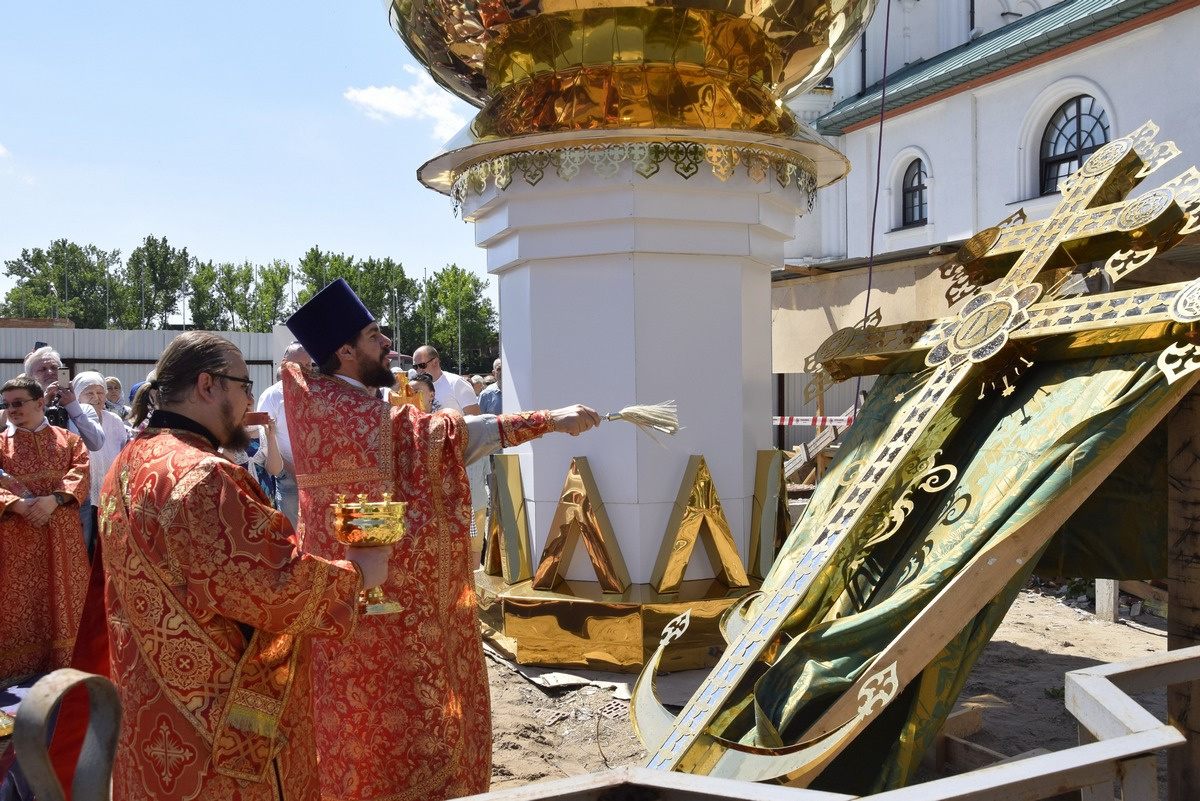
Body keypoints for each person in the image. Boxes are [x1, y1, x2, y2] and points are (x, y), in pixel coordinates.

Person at [283, 278, 600, 801]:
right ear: (343, 351)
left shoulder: (315, 400)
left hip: (337, 605)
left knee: (350, 725)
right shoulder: (366, 416)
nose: (387, 342)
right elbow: (456, 438)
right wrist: (550, 420)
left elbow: (296, 358)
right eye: (372, 334)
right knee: (403, 720)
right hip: (385, 604)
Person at [99, 331, 389, 801]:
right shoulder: (205, 476)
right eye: (246, 386)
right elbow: (271, 585)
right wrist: (357, 574)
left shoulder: (129, 462)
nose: (253, 401)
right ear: (208, 386)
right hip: (219, 724)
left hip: (149, 703)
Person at [0, 377, 90, 682]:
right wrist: (15, 504)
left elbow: (81, 470)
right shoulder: (0, 444)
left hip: (61, 537)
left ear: (40, 403)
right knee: (17, 603)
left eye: (18, 403)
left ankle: (66, 671)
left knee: (63, 599)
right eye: (7, 404)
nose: (11, 409)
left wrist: (53, 500)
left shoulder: (70, 440)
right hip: (17, 540)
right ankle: (15, 676)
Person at [256, 342, 312, 525]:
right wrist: (293, 471)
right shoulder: (272, 396)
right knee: (294, 531)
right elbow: (265, 440)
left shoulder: (317, 394)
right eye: (299, 366)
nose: (305, 371)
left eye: (309, 365)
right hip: (288, 478)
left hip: (316, 476)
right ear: (284, 363)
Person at [72, 371, 129, 553]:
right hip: (84, 495)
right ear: (77, 396)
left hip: (109, 493)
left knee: (107, 545)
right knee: (84, 544)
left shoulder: (115, 421)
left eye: (100, 392)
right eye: (89, 393)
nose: (96, 398)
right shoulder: (72, 421)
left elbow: (122, 454)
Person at [24, 346, 104, 452]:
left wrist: (72, 406)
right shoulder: (23, 409)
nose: (50, 372)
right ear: (30, 378)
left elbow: (96, 444)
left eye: (54, 368)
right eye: (42, 369)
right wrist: (42, 407)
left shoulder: (83, 410)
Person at [411, 345, 478, 415]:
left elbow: (475, 419)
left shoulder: (457, 383)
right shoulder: (415, 387)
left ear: (435, 362)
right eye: (415, 367)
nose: (419, 370)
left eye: (422, 365)